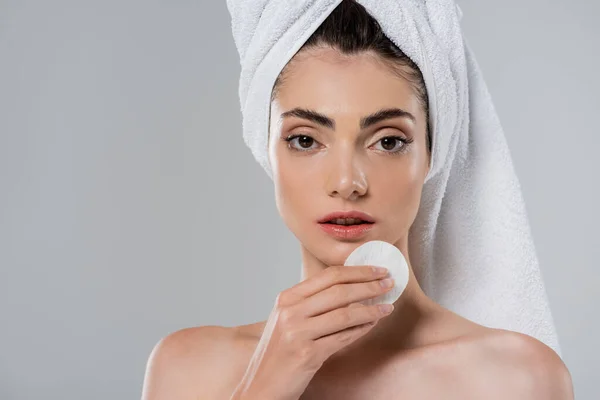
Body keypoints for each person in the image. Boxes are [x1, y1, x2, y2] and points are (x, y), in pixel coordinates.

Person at [141, 1, 574, 399]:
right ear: (266, 150)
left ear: (431, 154)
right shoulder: (188, 368)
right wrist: (267, 381)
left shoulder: (517, 378)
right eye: (306, 139)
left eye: (387, 141)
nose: (348, 182)